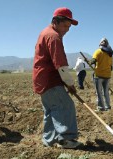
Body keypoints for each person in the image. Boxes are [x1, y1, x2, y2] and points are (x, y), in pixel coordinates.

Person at [32, 7, 82, 149]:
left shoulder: (45, 33)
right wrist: (70, 84)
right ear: (56, 21)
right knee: (66, 106)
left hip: (41, 80)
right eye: (65, 25)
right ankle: (67, 140)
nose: (67, 29)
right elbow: (61, 65)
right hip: (50, 80)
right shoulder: (53, 37)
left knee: (51, 110)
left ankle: (49, 140)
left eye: (69, 27)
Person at [90, 38, 113, 111]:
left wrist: (89, 61)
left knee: (99, 92)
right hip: (108, 75)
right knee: (106, 92)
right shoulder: (110, 53)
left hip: (99, 75)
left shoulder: (98, 51)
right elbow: (111, 66)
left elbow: (93, 61)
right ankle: (108, 106)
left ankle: (101, 107)